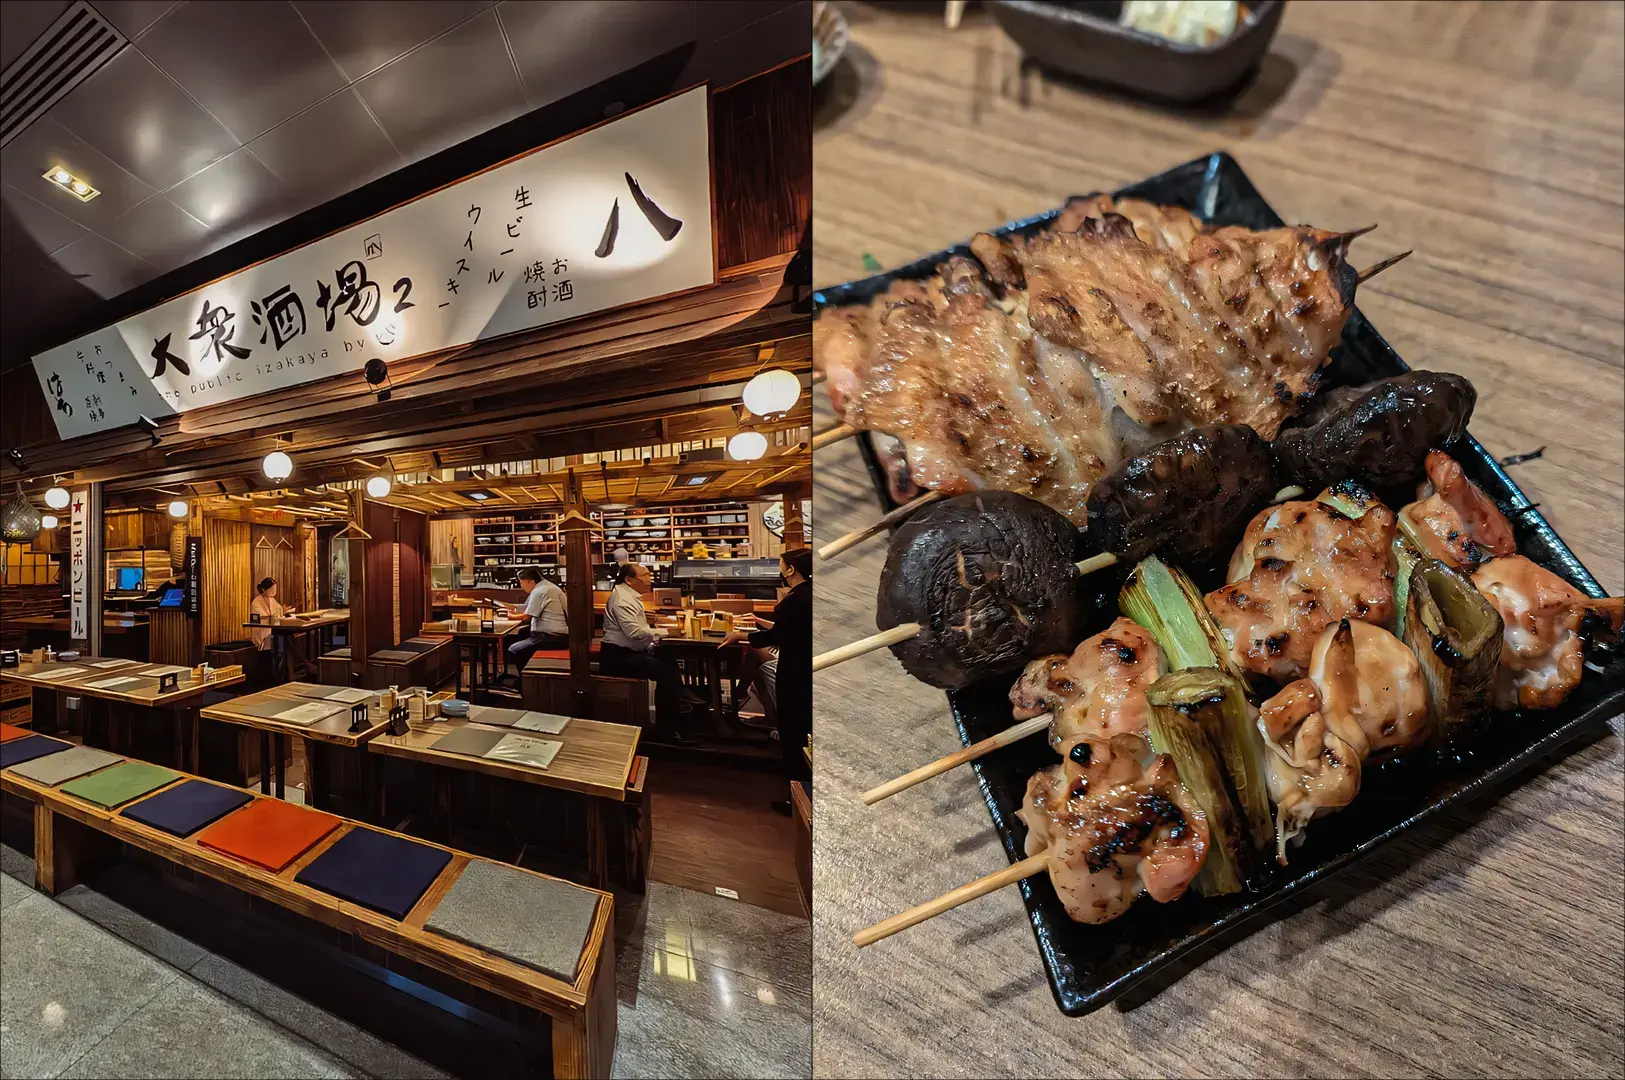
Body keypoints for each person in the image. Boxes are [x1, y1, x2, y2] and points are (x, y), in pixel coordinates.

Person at [724, 547, 812, 812]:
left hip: (795, 672)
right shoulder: (810, 594)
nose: (780, 570)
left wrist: (742, 635)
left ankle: (799, 798)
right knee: (805, 730)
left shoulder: (794, 598)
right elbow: (789, 629)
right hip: (809, 669)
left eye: (781, 565)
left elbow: (778, 637)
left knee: (794, 731)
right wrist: (760, 621)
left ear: (790, 569)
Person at [599, 562, 693, 741]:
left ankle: (683, 707)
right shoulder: (622, 599)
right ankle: (669, 730)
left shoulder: (628, 595)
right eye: (645, 576)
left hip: (628, 651)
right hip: (618, 656)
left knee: (669, 661)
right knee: (666, 674)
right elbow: (634, 633)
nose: (650, 580)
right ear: (628, 579)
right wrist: (669, 632)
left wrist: (653, 639)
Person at [504, 567, 568, 673]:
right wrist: (508, 607)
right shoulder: (546, 586)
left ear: (531, 581)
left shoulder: (539, 591)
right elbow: (526, 608)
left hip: (551, 636)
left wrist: (509, 616)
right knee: (521, 634)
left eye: (522, 582)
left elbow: (526, 617)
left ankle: (526, 681)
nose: (521, 586)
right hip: (557, 634)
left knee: (514, 650)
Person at [249, 577, 308, 680]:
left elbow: (279, 611)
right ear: (264, 589)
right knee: (287, 640)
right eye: (272, 589)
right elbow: (262, 618)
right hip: (263, 634)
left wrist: (284, 610)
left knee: (289, 638)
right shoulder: (256, 602)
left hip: (274, 630)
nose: (274, 592)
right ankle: (301, 666)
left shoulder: (272, 600)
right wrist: (277, 613)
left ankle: (289, 673)